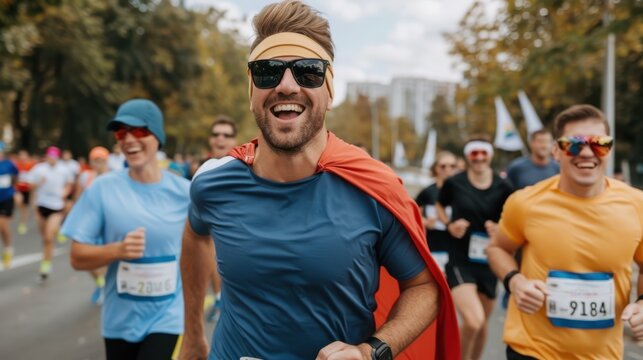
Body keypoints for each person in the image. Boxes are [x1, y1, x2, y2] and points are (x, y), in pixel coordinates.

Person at [180, 2, 459, 360]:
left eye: (307, 72)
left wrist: (369, 351)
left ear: (328, 92)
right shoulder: (213, 183)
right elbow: (194, 235)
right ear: (251, 91)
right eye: (267, 72)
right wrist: (192, 335)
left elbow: (424, 287)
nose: (286, 85)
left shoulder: (373, 188)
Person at [486, 104, 643, 360]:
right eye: (574, 144)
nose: (586, 152)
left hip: (603, 355)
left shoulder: (637, 205)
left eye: (599, 143)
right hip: (532, 349)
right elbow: (497, 248)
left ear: (609, 150)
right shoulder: (526, 202)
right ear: (556, 151)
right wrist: (516, 281)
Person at [61, 99, 190, 360]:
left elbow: (206, 249)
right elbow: (77, 256)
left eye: (139, 131)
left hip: (168, 317)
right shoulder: (102, 189)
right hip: (119, 321)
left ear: (157, 136)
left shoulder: (185, 192)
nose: (129, 139)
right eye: (121, 132)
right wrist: (116, 250)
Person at [436, 137, 513, 360]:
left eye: (483, 153)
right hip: (460, 259)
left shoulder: (504, 186)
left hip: (490, 261)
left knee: (482, 325)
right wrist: (450, 225)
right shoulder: (455, 182)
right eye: (474, 153)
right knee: (473, 320)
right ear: (468, 156)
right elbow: (441, 205)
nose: (479, 158)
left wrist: (501, 228)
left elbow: (514, 219)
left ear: (490, 155)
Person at [202, 115, 238, 324]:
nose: (220, 139)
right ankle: (218, 299)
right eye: (216, 134)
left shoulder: (246, 166)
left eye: (226, 135)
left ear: (234, 139)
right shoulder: (202, 168)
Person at [27, 146, 74, 281]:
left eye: (54, 157)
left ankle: (46, 265)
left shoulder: (63, 169)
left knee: (48, 237)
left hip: (56, 206)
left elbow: (70, 183)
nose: (52, 159)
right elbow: (29, 186)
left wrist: (65, 192)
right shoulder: (39, 169)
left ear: (57, 158)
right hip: (42, 206)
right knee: (44, 238)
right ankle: (57, 234)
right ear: (47, 157)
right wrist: (38, 183)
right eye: (49, 157)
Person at [73, 146, 111, 305]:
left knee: (106, 258)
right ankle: (100, 283)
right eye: (96, 160)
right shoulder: (85, 177)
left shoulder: (113, 177)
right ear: (91, 162)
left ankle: (105, 287)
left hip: (108, 222)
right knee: (87, 259)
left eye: (101, 160)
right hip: (89, 223)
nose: (99, 163)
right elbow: (78, 197)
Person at [414, 151, 457, 273]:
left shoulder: (462, 192)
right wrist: (426, 222)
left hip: (457, 248)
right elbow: (412, 215)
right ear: (436, 168)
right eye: (443, 166)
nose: (448, 170)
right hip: (434, 246)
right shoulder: (428, 192)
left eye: (452, 166)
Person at [0, 142, 18, 268]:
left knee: (2, 224)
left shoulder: (9, 164)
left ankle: (8, 248)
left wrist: (14, 190)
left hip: (6, 198)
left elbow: (16, 177)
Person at [14, 150, 36, 235]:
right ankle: (22, 222)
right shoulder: (16, 165)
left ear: (27, 156)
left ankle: (24, 223)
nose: (22, 157)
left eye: (24, 155)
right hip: (18, 189)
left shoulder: (31, 165)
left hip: (28, 189)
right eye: (21, 155)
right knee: (20, 204)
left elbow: (34, 178)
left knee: (26, 207)